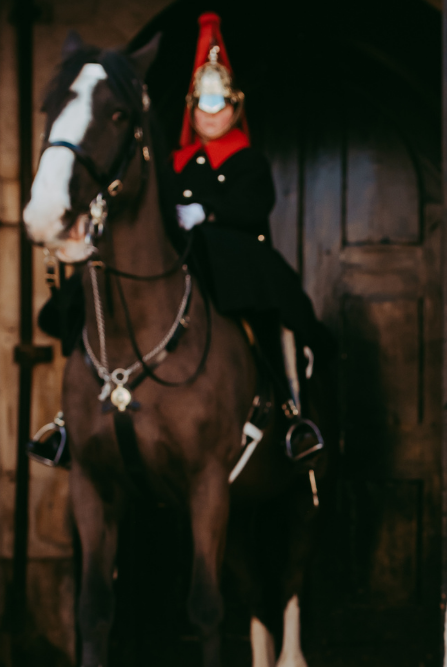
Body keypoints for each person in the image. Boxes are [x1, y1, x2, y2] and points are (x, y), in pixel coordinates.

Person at [169, 12, 330, 394]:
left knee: (274, 317)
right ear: (190, 109)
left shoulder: (248, 159)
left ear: (235, 108)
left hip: (238, 261)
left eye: (220, 104)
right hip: (181, 258)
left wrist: (206, 211)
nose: (211, 115)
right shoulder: (174, 164)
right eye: (202, 105)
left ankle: (291, 407)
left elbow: (254, 205)